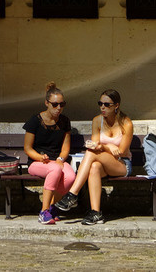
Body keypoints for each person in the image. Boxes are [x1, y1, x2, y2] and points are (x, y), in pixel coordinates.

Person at [55, 88, 132, 224]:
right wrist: (105, 147)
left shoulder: (126, 123)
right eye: (100, 103)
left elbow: (121, 151)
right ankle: (96, 213)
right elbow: (94, 145)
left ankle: (72, 194)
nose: (102, 107)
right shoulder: (97, 121)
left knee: (91, 154)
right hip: (101, 162)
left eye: (107, 105)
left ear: (116, 106)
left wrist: (103, 147)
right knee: (94, 167)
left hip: (121, 164)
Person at [22, 82, 74, 224]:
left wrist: (61, 158)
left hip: (56, 161)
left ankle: (51, 207)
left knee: (70, 177)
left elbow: (65, 147)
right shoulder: (35, 120)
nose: (58, 108)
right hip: (37, 162)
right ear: (46, 103)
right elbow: (27, 148)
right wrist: (39, 157)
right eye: (55, 104)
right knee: (55, 169)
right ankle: (44, 212)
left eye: (62, 105)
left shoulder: (64, 121)